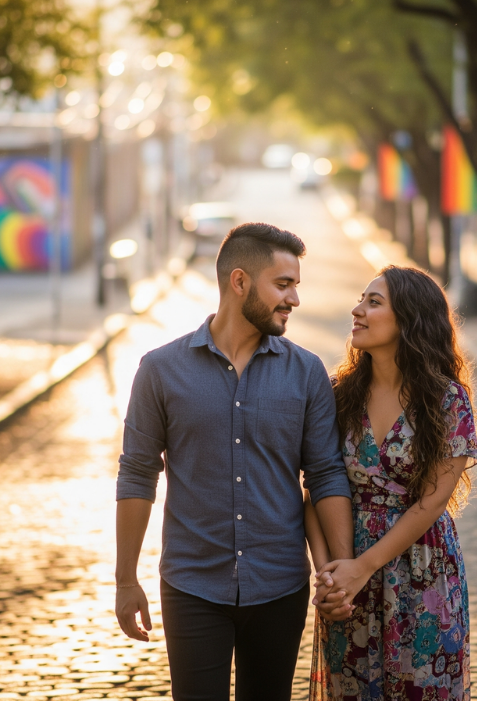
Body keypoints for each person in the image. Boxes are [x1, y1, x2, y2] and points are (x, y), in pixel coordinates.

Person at [114, 222, 354, 701]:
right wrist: (125, 579)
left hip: (280, 585)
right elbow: (138, 473)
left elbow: (326, 473)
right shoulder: (160, 369)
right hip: (191, 584)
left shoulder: (306, 373)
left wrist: (343, 568)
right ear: (239, 282)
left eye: (296, 287)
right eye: (283, 285)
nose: (294, 300)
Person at [305, 265, 477, 701]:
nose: (357, 310)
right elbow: (317, 487)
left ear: (410, 318)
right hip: (347, 570)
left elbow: (431, 504)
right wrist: (329, 578)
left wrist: (362, 569)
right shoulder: (338, 394)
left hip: (422, 571)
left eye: (373, 302)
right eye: (361, 300)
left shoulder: (447, 400)